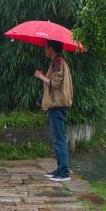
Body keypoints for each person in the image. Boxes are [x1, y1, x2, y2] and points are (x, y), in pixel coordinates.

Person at [35, 40, 74, 181]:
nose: (44, 50)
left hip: (58, 106)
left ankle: (64, 172)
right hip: (55, 105)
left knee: (59, 139)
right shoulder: (56, 62)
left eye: (46, 47)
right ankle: (60, 168)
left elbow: (54, 83)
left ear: (51, 48)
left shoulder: (58, 62)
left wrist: (40, 76)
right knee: (58, 138)